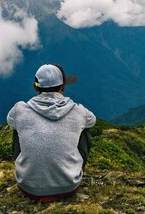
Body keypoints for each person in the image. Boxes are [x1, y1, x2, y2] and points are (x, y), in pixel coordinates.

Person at [7, 64, 96, 202]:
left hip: (28, 187)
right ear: (62, 87)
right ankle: (72, 171)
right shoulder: (78, 111)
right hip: (68, 186)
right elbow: (92, 121)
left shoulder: (19, 109)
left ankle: (29, 170)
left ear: (36, 87)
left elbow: (10, 121)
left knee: (17, 128)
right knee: (84, 131)